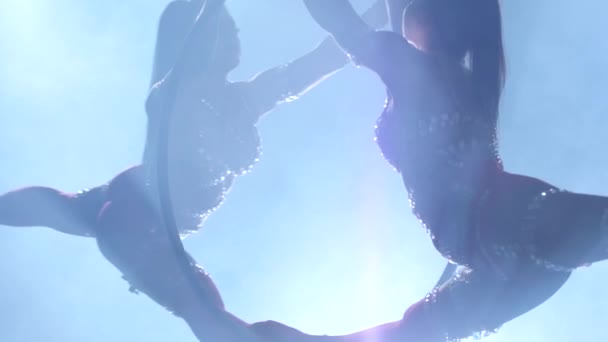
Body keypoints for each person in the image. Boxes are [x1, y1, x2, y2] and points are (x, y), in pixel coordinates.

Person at [0, 0, 388, 340]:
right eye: (228, 29)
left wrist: (380, 15)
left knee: (69, 210)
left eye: (234, 27)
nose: (237, 35)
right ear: (200, 39)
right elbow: (194, 38)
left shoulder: (245, 100)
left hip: (136, 210)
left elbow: (316, 63)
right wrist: (210, 7)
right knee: (208, 317)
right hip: (139, 218)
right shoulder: (173, 92)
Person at [294, 0, 608, 340]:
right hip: (498, 240)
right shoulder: (473, 82)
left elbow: (338, 18)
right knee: (411, 333)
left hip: (500, 229)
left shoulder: (411, 67)